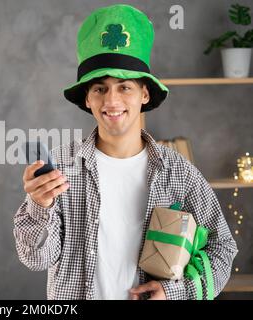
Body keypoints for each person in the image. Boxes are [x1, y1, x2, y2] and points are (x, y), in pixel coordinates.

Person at [13, 4, 238, 300]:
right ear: (88, 99)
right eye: (100, 88)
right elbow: (36, 259)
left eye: (125, 87)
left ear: (144, 94)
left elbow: (223, 248)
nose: (112, 100)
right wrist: (39, 206)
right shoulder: (62, 170)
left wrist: (174, 293)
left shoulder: (178, 173)